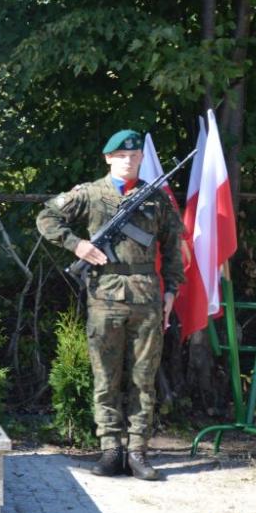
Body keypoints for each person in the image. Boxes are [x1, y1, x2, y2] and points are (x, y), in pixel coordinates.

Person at [36, 129, 184, 481]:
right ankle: (110, 449)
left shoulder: (156, 198)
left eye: (134, 156)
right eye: (121, 156)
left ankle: (137, 451)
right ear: (108, 158)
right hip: (104, 295)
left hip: (147, 297)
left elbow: (173, 247)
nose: (128, 161)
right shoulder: (90, 193)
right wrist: (77, 245)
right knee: (106, 376)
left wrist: (171, 291)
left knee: (143, 378)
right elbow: (46, 218)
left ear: (141, 159)